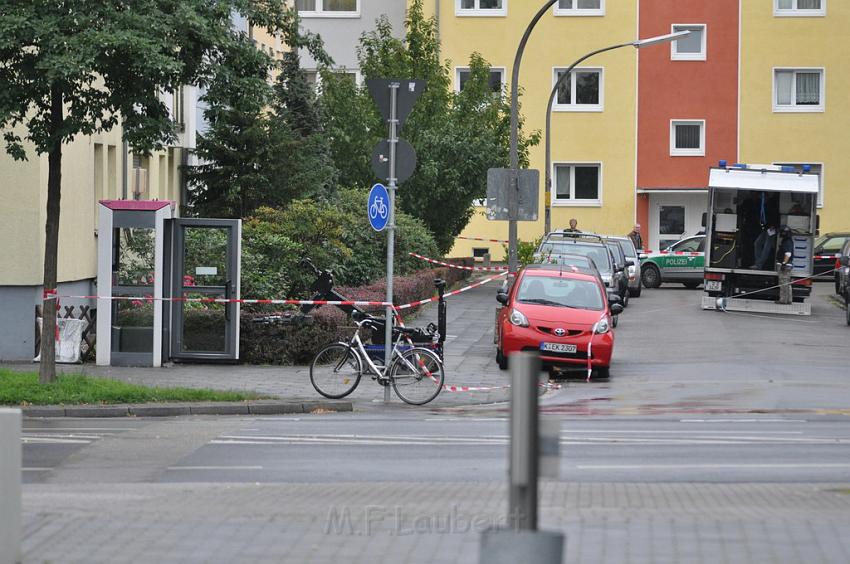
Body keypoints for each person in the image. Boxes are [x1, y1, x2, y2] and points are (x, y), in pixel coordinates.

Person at [776, 226, 794, 304]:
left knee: (783, 283)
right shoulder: (788, 241)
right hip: (788, 265)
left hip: (785, 265)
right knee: (787, 283)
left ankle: (783, 300)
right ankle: (789, 299)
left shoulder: (787, 241)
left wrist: (784, 263)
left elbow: (788, 254)